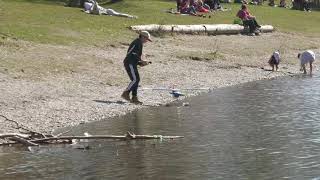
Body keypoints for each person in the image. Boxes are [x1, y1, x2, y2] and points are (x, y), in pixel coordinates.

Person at [121, 31, 152, 104]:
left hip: (132, 63)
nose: (147, 41)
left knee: (136, 80)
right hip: (129, 63)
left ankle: (134, 97)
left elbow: (134, 55)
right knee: (135, 79)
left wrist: (140, 63)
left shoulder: (139, 43)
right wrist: (141, 60)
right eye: (147, 39)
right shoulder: (137, 42)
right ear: (142, 37)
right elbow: (131, 53)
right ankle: (126, 93)